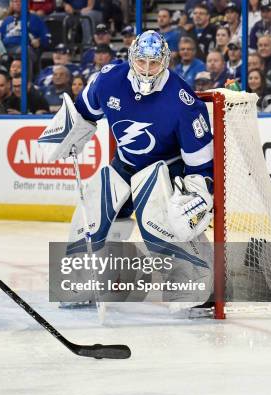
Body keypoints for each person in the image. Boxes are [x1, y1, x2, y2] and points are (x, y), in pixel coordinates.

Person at [70, 30, 214, 306]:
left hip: (166, 168)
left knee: (159, 220)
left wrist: (198, 198)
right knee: (92, 213)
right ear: (132, 58)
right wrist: (69, 137)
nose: (147, 70)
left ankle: (195, 283)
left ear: (165, 62)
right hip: (124, 163)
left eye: (154, 63)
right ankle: (82, 281)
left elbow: (202, 166)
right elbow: (81, 112)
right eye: (142, 62)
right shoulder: (109, 79)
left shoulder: (183, 102)